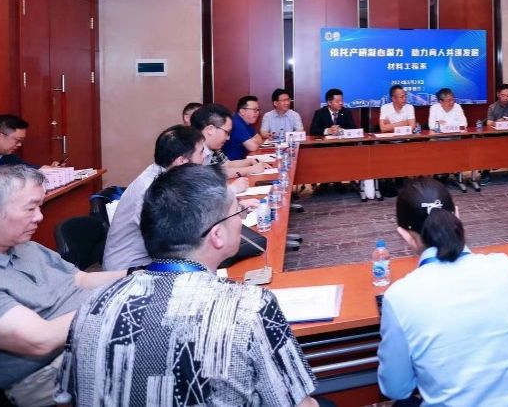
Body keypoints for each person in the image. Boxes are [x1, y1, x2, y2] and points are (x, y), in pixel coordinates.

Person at [57, 164, 325, 407]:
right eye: (238, 212)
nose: (241, 219)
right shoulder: (248, 307)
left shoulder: (92, 305)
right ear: (217, 235)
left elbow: (66, 399)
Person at [0, 166, 125, 406]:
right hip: (46, 374)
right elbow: (41, 339)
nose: (39, 217)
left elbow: (80, 279)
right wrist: (118, 302)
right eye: (30, 208)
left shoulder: (24, 246)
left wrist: (139, 274)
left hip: (85, 338)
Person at [377, 179, 508, 407]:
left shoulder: (399, 297)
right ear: (457, 214)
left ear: (405, 235)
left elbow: (396, 388)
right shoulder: (504, 266)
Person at [102, 124, 206, 270]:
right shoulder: (151, 190)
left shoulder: (166, 174)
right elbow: (171, 242)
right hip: (129, 270)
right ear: (181, 161)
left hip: (151, 260)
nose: (204, 157)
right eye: (201, 153)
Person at [191, 103, 265, 179]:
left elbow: (226, 164)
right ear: (210, 130)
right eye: (227, 132)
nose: (228, 138)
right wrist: (250, 170)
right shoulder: (192, 149)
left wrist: (250, 161)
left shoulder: (213, 146)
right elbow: (207, 176)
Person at [479, 84, 508, 184]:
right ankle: (486, 171)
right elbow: (489, 123)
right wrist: (498, 122)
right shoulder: (492, 107)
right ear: (498, 95)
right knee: (488, 147)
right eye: (503, 95)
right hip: (495, 137)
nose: (505, 98)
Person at [224, 95, 266, 160]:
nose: (257, 113)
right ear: (242, 111)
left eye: (258, 110)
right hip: (232, 163)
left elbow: (259, 140)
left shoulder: (247, 121)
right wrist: (252, 140)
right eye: (254, 110)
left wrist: (252, 140)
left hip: (242, 160)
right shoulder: (235, 123)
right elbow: (253, 147)